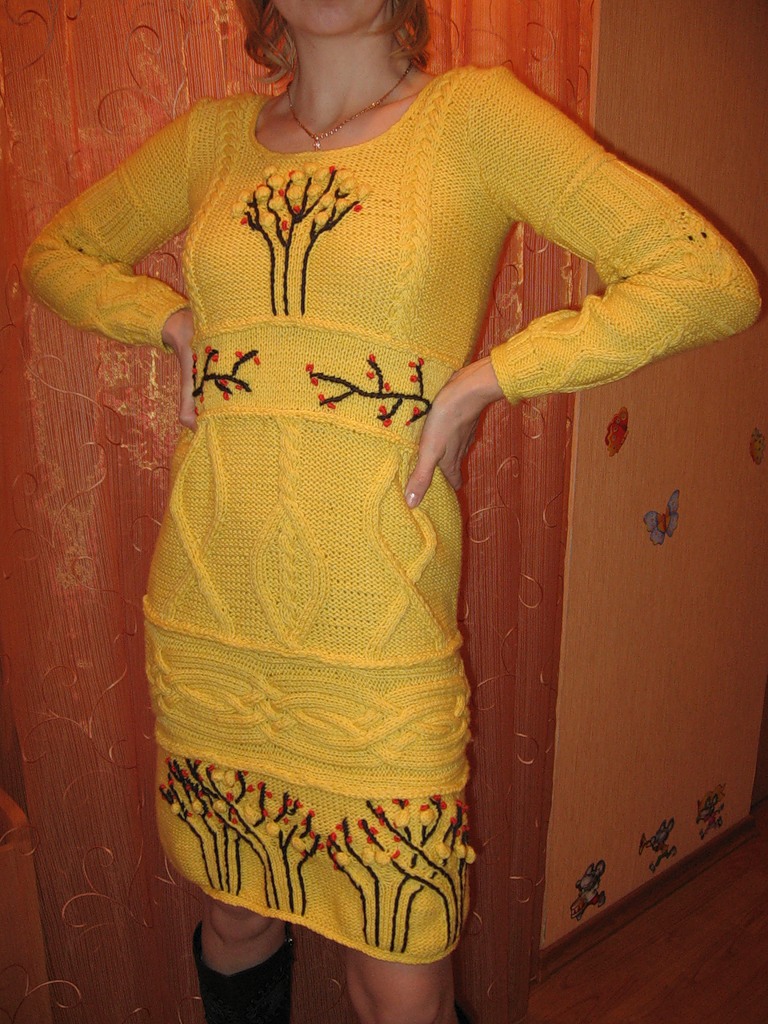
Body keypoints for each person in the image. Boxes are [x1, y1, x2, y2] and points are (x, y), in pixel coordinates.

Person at [21, 1, 760, 1022]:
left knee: (401, 967)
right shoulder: (209, 144)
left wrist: (488, 381)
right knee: (236, 920)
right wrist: (168, 319)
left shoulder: (474, 119)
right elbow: (54, 254)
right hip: (215, 618)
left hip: (379, 637)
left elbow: (707, 278)